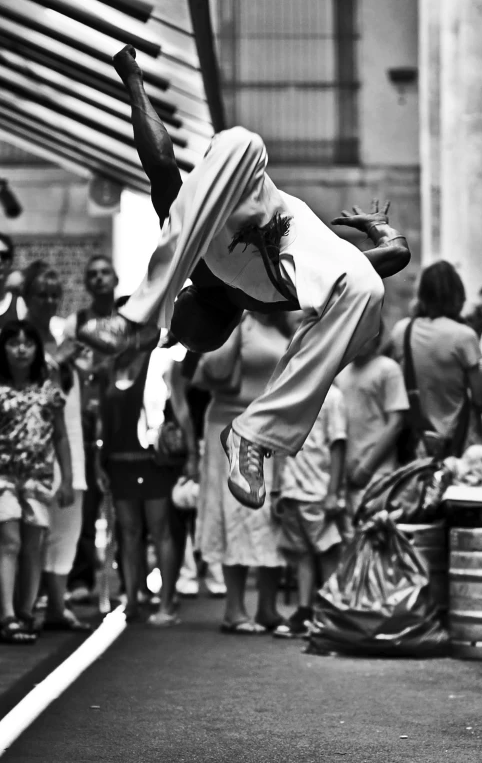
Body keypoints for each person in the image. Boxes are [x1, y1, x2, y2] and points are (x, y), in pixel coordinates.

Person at [77, 45, 411, 511]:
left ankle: (138, 318)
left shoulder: (204, 261)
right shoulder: (270, 298)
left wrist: (132, 79)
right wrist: (377, 228)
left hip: (257, 233)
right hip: (290, 246)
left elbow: (159, 162)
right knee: (364, 287)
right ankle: (253, 435)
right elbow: (392, 256)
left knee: (239, 146)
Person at [0, 321, 73, 644]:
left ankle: (26, 612)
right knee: (9, 542)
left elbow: (60, 436)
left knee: (33, 546)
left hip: (37, 477)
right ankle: (7, 616)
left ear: (37, 349)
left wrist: (67, 478)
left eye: (27, 343)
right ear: (2, 349)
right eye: (13, 343)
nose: (20, 348)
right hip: (0, 476)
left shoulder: (49, 391)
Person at [194, 312, 289, 634]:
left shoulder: (283, 322)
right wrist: (234, 317)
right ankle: (234, 609)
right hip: (230, 424)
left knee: (271, 515)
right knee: (235, 510)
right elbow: (214, 370)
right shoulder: (238, 319)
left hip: (271, 428)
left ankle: (267, 608)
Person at [96, 333, 198, 625]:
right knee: (127, 534)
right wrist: (98, 460)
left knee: (161, 530)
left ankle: (166, 602)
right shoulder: (109, 366)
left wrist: (192, 455)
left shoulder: (164, 361)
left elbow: (181, 408)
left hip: (155, 461)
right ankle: (131, 600)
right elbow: (103, 419)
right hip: (119, 460)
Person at [22, 262, 90, 631]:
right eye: (40, 294)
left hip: (72, 438)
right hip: (31, 445)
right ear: (26, 297)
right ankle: (24, 607)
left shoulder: (65, 332)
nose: (48, 301)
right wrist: (53, 360)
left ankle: (57, 607)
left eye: (53, 295)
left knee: (68, 526)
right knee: (31, 527)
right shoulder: (17, 338)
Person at [270, 385, 347, 639]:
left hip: (318, 489)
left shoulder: (332, 396)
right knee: (301, 552)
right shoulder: (291, 392)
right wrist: (277, 489)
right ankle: (305, 611)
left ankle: (331, 612)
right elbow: (279, 443)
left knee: (326, 552)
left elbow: (338, 444)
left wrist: (333, 492)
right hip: (292, 488)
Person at [63, 255, 119, 602]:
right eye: (93, 275)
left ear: (115, 279)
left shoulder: (130, 317)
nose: (99, 280)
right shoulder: (76, 322)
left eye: (104, 273)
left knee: (127, 502)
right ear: (86, 283)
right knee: (86, 505)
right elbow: (62, 359)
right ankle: (81, 579)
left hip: (121, 414)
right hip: (84, 417)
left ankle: (131, 579)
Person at [388, 261, 482, 455]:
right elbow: (479, 400)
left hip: (415, 445)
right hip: (458, 443)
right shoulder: (464, 336)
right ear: (457, 295)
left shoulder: (402, 331)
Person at [337, 322, 409, 515]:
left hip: (376, 472)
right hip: (346, 474)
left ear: (376, 336)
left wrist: (367, 468)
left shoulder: (388, 369)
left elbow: (396, 423)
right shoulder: (342, 371)